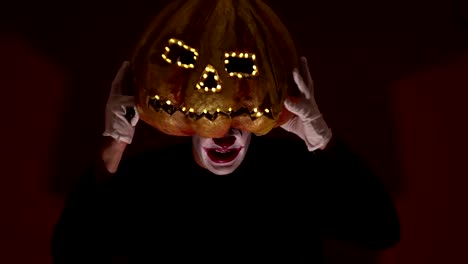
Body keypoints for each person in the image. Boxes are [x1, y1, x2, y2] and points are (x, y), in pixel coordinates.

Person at [51, 58, 400, 264]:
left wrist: (322, 140)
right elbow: (71, 254)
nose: (225, 133)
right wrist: (114, 145)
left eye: (241, 114)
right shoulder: (149, 179)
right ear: (187, 115)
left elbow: (380, 231)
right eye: (211, 114)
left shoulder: (292, 170)